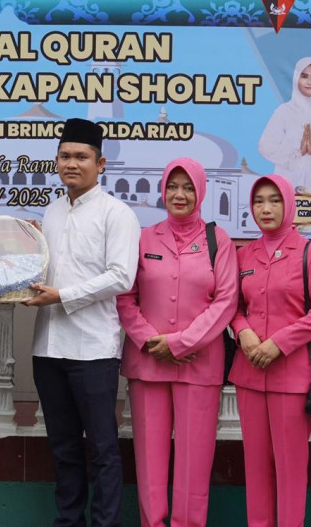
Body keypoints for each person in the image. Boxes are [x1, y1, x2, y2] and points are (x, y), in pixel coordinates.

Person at [25, 118, 141, 527]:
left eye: (81, 157)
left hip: (93, 350)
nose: (71, 164)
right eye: (65, 156)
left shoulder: (118, 214)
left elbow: (121, 276)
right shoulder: (51, 213)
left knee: (103, 449)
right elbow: (40, 268)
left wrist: (62, 296)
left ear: (101, 163)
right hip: (48, 348)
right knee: (63, 447)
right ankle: (68, 521)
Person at [116, 157, 239, 527]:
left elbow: (227, 300)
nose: (179, 194)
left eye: (187, 187)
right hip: (148, 362)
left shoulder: (220, 241)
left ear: (200, 192)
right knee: (150, 461)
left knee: (194, 461)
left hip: (199, 365)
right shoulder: (144, 238)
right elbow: (125, 296)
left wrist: (182, 343)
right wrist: (151, 339)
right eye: (172, 186)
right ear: (163, 190)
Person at [229, 174, 311, 527]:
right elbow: (232, 305)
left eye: (274, 200)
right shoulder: (243, 254)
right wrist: (243, 332)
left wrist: (279, 343)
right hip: (249, 375)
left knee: (290, 468)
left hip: (292, 377)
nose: (266, 208)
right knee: (256, 465)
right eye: (259, 201)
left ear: (289, 204)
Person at [258, 57, 311, 192]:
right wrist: (294, 155)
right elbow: (265, 146)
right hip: (290, 180)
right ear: (297, 79)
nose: (309, 82)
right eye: (304, 76)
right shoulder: (284, 112)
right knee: (291, 211)